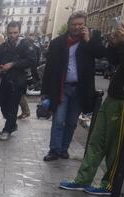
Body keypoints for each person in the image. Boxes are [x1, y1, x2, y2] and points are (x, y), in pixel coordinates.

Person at [59, 24, 124, 196]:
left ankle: (111, 185)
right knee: (96, 140)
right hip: (112, 97)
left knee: (114, 146)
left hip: (122, 102)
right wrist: (114, 43)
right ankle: (83, 179)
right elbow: (114, 61)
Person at [42, 11, 106, 161]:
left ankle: (64, 148)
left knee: (71, 122)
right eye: (74, 24)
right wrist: (45, 92)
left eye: (80, 24)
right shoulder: (58, 43)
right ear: (69, 25)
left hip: (80, 89)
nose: (77, 27)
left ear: (85, 25)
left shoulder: (89, 41)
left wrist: (88, 40)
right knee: (58, 120)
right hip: (62, 87)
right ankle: (54, 150)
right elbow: (49, 68)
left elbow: (101, 54)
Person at [0, 21, 39, 141]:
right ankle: (12, 124)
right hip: (4, 79)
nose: (12, 35)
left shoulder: (25, 44)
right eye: (10, 33)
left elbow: (32, 60)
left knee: (13, 105)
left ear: (19, 32)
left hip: (18, 80)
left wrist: (13, 64)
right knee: (3, 105)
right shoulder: (3, 46)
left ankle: (7, 129)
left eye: (15, 32)